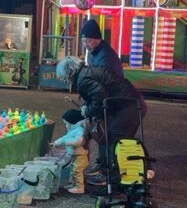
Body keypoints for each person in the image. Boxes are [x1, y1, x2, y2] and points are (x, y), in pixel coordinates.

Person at [56, 56, 145, 189]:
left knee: (113, 140)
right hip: (130, 103)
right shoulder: (86, 72)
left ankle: (112, 181)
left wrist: (88, 111)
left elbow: (99, 98)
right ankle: (115, 175)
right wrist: (88, 107)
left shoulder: (83, 80)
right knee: (116, 140)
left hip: (127, 107)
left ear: (69, 73)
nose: (64, 81)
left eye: (63, 77)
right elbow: (99, 95)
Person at [52, 108, 89, 194]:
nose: (66, 126)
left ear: (73, 123)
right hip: (75, 155)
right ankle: (74, 184)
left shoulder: (80, 130)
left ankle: (80, 187)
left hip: (80, 156)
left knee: (77, 170)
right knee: (73, 170)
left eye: (67, 124)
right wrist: (56, 143)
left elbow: (79, 141)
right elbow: (64, 138)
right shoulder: (72, 131)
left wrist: (67, 142)